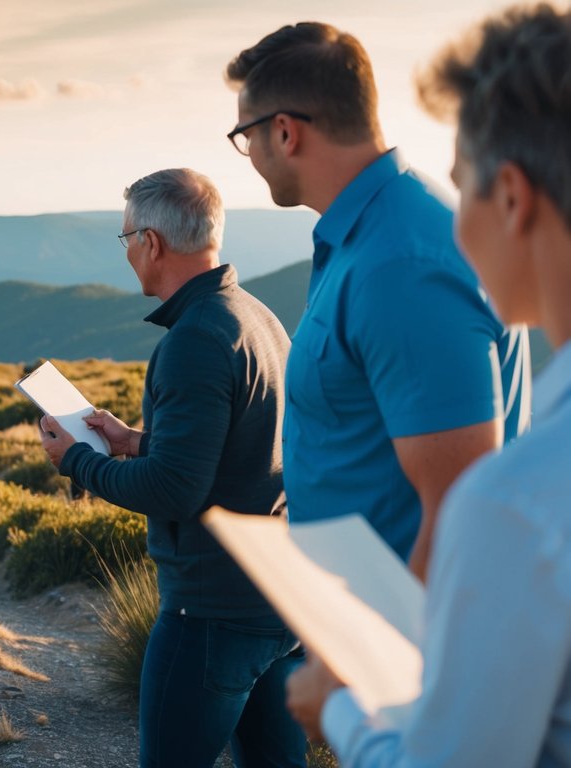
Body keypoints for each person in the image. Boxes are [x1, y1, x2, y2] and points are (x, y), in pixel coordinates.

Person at [285, 6, 571, 764]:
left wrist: (341, 705)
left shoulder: (515, 506)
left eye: (461, 187)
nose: (451, 225)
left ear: (509, 198)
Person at [224, 21, 530, 578]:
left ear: (286, 132)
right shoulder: (374, 237)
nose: (246, 153)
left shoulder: (400, 265)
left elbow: (459, 508)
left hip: (399, 644)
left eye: (245, 135)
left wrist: (366, 660)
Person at [39, 169, 305, 767]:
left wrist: (76, 459)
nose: (127, 249)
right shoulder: (257, 318)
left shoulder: (194, 341)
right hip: (276, 599)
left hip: (210, 613)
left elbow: (174, 489)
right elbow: (233, 450)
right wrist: (134, 441)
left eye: (126, 236)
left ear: (152, 243)